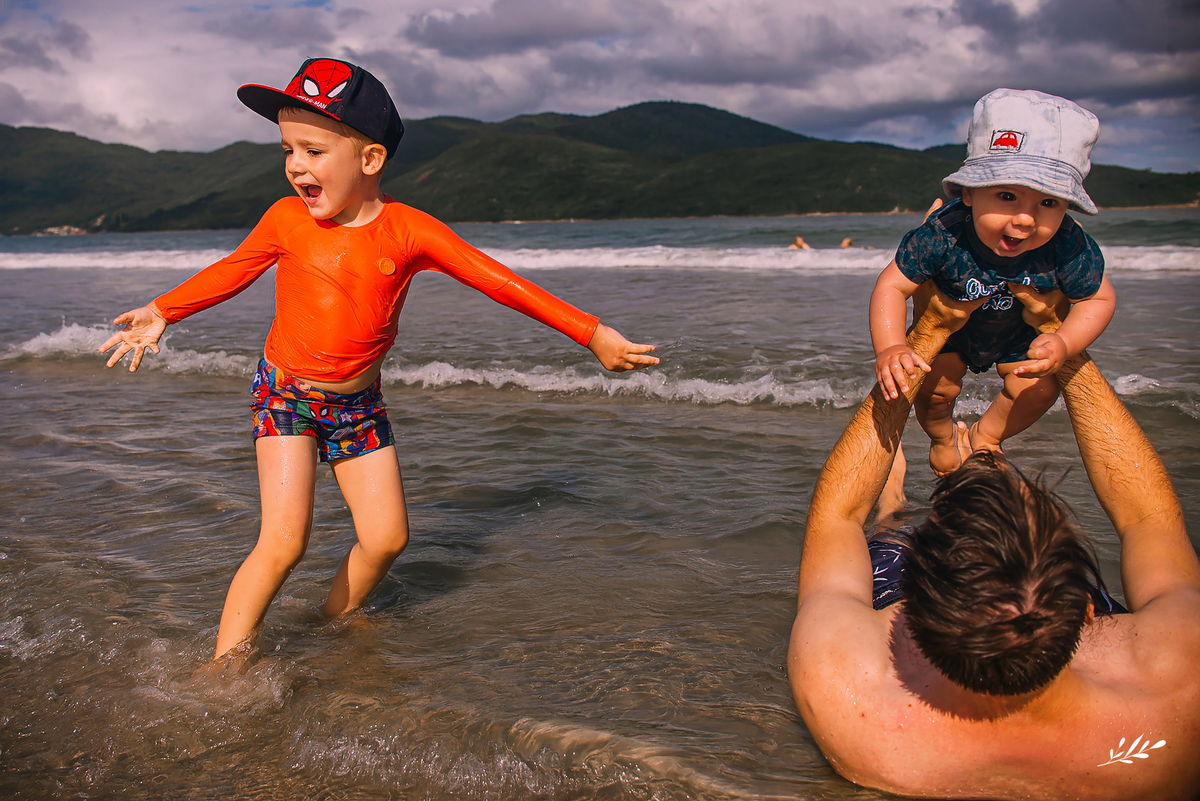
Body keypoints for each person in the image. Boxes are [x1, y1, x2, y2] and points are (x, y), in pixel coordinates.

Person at [98, 58, 659, 661]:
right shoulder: (286, 219)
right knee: (284, 541)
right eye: (287, 149)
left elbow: (495, 280)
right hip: (285, 395)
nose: (294, 166)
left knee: (387, 539)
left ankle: (331, 619)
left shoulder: (410, 231)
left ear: (369, 160)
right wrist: (165, 309)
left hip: (358, 403)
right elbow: (232, 270)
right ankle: (224, 666)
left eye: (313, 151)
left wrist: (591, 332)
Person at [788, 284, 1200, 799]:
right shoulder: (1179, 698)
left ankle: (898, 502)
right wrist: (1061, 339)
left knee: (883, 540)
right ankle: (984, 462)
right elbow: (1149, 519)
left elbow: (837, 517)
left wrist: (931, 331)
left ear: (910, 613)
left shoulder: (847, 692)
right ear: (1087, 612)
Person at [869, 89, 1116, 475]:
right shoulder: (942, 233)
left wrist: (1065, 341)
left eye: (1048, 203)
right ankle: (942, 437)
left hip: (1019, 335)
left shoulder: (1068, 243)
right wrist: (891, 347)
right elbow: (892, 286)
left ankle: (988, 436)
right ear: (969, 192)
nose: (1025, 219)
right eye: (1006, 196)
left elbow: (1098, 300)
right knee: (934, 389)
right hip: (951, 332)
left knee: (1039, 390)